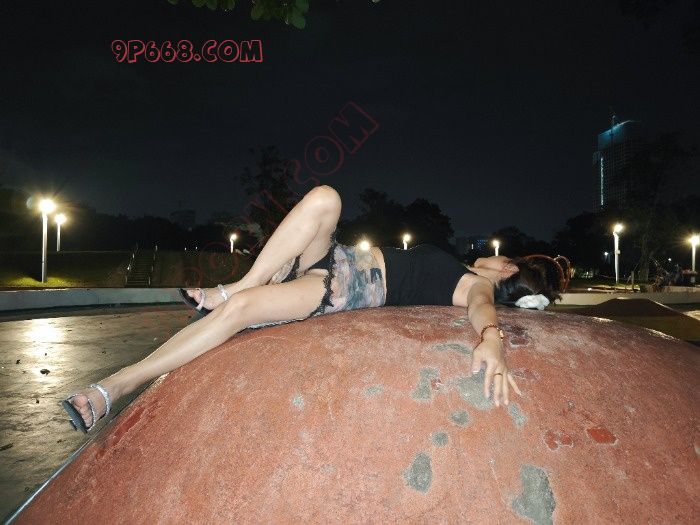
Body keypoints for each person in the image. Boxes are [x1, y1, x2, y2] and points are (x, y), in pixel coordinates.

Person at [61, 185, 565, 433]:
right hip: (338, 259)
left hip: (346, 289)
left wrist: (493, 341)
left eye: (506, 259)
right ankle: (240, 284)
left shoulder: (474, 283)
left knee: (240, 312)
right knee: (325, 198)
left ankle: (113, 389)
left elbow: (481, 309)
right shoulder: (462, 266)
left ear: (506, 271)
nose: (497, 256)